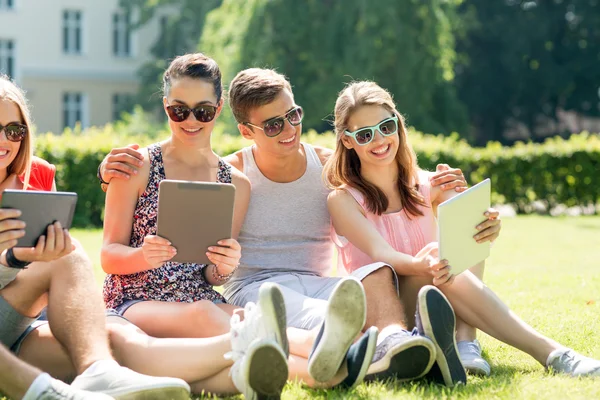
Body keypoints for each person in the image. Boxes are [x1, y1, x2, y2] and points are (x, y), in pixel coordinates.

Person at [99, 67, 475, 386]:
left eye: (293, 115)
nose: (288, 129)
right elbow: (128, 242)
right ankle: (372, 354)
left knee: (373, 277)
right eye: (274, 124)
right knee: (306, 315)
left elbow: (389, 173)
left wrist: (437, 188)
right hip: (257, 287)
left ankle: (396, 344)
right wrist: (108, 175)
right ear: (247, 132)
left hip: (305, 281)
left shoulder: (325, 166)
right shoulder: (234, 172)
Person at [323, 80, 600, 380]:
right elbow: (382, 254)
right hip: (384, 314)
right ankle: (552, 353)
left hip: (438, 295)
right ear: (348, 141)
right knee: (434, 254)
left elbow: (472, 229)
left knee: (465, 225)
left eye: (386, 127)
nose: (379, 140)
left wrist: (487, 225)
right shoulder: (343, 200)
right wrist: (425, 263)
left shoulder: (431, 184)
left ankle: (465, 339)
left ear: (398, 124)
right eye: (365, 135)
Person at [0, 74, 190, 399]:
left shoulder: (38, 174)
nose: (5, 141)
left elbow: (56, 281)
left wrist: (75, 319)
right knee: (68, 258)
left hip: (21, 321)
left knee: (111, 339)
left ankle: (240, 355)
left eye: (14, 131)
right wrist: (12, 259)